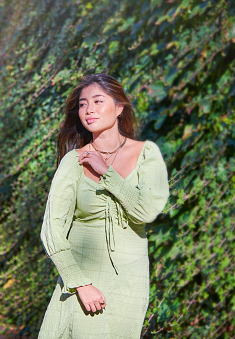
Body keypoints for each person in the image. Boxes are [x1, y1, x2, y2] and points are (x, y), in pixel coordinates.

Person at [39, 73, 170, 338]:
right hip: (82, 283)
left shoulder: (147, 154)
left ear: (119, 107)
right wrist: (80, 284)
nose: (89, 110)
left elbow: (146, 211)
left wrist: (106, 174)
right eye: (83, 104)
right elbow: (51, 230)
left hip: (128, 286)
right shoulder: (73, 162)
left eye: (98, 101)